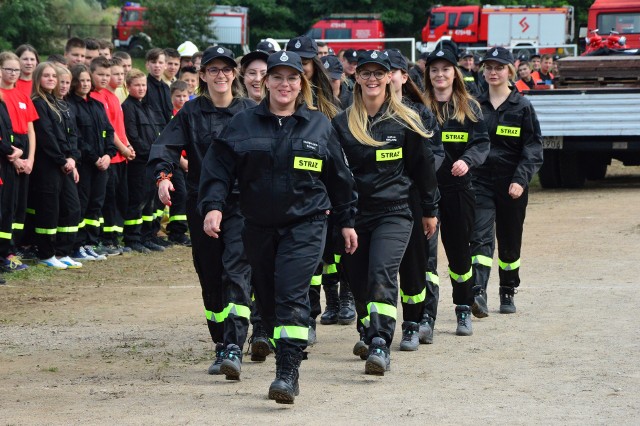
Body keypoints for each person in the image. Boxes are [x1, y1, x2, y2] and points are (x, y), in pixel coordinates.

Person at [198, 50, 357, 403]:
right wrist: (212, 207)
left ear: (302, 84)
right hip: (256, 227)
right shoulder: (242, 124)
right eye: (277, 77)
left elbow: (340, 179)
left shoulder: (319, 125)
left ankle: (287, 373)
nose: (285, 84)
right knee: (267, 302)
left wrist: (346, 221)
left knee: (291, 295)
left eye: (292, 78)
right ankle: (276, 337)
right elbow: (218, 170)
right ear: (264, 81)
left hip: (307, 223)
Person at [148, 46, 256, 379]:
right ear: (203, 75)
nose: (220, 75)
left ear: (233, 74)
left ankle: (236, 344)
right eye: (213, 70)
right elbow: (165, 146)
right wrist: (164, 178)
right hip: (202, 202)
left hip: (242, 205)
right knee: (210, 274)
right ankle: (221, 343)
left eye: (226, 69)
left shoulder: (251, 111)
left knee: (236, 271)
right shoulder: (191, 113)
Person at [332, 50, 438, 375]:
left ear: (390, 77)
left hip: (395, 212)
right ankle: (367, 329)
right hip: (354, 216)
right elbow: (333, 175)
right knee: (359, 280)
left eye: (380, 73)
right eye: (366, 73)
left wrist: (430, 211)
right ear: (357, 77)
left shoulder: (405, 121)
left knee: (382, 273)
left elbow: (423, 170)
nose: (373, 79)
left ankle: (380, 343)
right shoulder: (340, 123)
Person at [285, 35, 352, 338]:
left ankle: (343, 301)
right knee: (306, 259)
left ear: (314, 65)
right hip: (294, 189)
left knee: (337, 247)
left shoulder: (330, 106)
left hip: (326, 187)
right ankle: (308, 316)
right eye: (295, 60)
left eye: (305, 62)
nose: (300, 67)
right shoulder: (281, 98)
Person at [470, 46, 543, 317]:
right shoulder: (475, 106)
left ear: (510, 71)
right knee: (479, 236)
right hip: (480, 182)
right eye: (488, 67)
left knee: (510, 240)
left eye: (499, 67)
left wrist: (521, 180)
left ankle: (507, 290)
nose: (493, 72)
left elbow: (533, 149)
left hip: (512, 183)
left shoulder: (522, 107)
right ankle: (478, 291)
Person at [423, 47, 490, 336]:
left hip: (458, 190)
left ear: (455, 73)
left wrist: (467, 160)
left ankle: (463, 308)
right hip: (426, 192)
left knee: (459, 254)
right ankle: (426, 314)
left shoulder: (469, 107)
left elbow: (482, 143)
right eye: (434, 70)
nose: (440, 74)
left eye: (445, 69)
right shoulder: (419, 106)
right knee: (424, 257)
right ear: (428, 74)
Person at [384, 48, 443, 350]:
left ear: (403, 77)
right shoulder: (368, 112)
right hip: (384, 203)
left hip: (418, 199)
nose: (387, 76)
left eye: (392, 70)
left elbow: (435, 155)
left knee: (424, 265)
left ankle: (424, 320)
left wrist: (417, 180)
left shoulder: (419, 113)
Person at [31, 63, 82, 269]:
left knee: (71, 207)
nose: (51, 79)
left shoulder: (57, 102)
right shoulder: (38, 102)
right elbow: (46, 136)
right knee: (49, 209)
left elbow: (70, 135)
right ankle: (46, 253)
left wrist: (72, 158)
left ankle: (63, 252)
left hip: (65, 164)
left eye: (54, 76)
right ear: (38, 79)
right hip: (48, 166)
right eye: (46, 76)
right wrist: (62, 160)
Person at [67, 64, 116, 262]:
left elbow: (109, 131)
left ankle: (89, 243)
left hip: (102, 164)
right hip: (85, 164)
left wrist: (108, 155)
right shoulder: (71, 105)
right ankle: (77, 245)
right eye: (81, 80)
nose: (85, 84)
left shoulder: (96, 105)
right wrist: (94, 157)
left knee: (96, 205)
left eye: (88, 80)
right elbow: (77, 137)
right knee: (83, 204)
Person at [89, 57, 134, 256]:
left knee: (118, 199)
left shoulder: (114, 97)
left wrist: (128, 146)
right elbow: (109, 130)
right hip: (111, 156)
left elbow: (119, 127)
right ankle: (105, 240)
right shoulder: (97, 97)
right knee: (106, 201)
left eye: (113, 74)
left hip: (121, 156)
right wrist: (122, 148)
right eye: (104, 74)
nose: (108, 78)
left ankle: (114, 238)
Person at [0, 51, 38, 271]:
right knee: (7, 207)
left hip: (23, 154)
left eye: (16, 70)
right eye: (9, 69)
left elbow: (31, 130)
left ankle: (12, 251)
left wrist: (30, 158)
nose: (13, 74)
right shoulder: (1, 96)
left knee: (19, 208)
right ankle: (5, 253)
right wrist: (15, 159)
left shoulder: (23, 95)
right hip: (9, 155)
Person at [122, 68, 162, 253]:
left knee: (150, 200)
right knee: (137, 201)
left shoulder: (146, 106)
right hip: (139, 163)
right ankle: (132, 238)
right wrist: (150, 153)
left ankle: (148, 236)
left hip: (151, 161)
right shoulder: (128, 107)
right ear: (128, 86)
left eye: (143, 85)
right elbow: (133, 136)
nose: (141, 88)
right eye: (136, 85)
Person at [0, 63, 25, 276]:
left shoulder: (2, 103)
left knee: (8, 211)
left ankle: (6, 255)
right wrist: (11, 151)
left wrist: (16, 150)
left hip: (7, 162)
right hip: (6, 159)